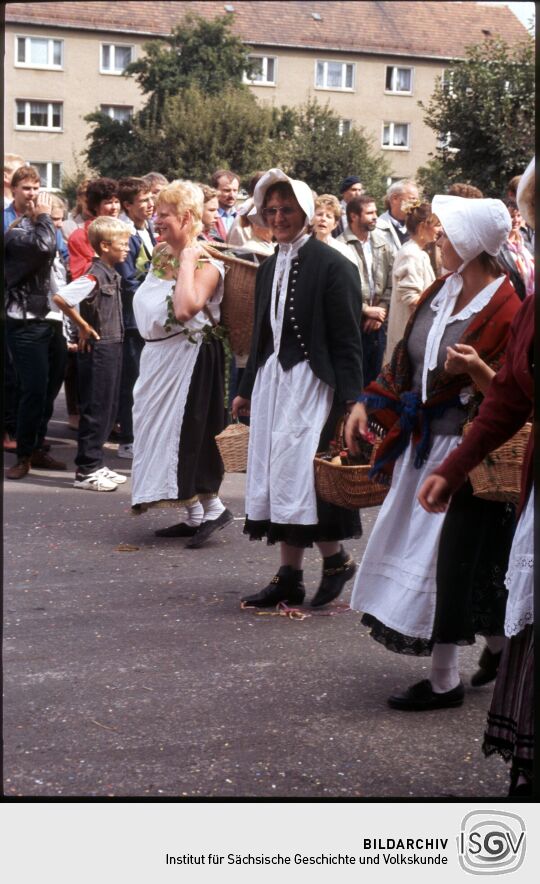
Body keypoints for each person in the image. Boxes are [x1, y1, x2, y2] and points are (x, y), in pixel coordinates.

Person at [345, 194, 521, 711]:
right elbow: (405, 357)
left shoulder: (508, 307)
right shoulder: (442, 291)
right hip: (424, 448)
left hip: (471, 453)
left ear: (470, 244)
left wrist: (477, 374)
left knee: (448, 563)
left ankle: (445, 680)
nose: (438, 238)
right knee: (460, 563)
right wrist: (370, 401)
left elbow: (514, 397)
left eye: (447, 233)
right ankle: (500, 649)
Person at [417, 159, 534, 796]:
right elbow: (513, 398)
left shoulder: (512, 301)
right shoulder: (532, 305)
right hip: (491, 464)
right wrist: (451, 466)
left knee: (475, 568)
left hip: (495, 468)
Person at [232, 168, 364, 609]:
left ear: (306, 211)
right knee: (278, 475)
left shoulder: (335, 266)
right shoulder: (269, 266)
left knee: (306, 477)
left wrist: (352, 400)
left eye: (286, 208)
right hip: (274, 384)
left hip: (314, 385)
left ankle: (332, 560)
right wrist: (247, 387)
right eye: (270, 210)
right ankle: (293, 573)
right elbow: (261, 336)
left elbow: (348, 341)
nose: (278, 216)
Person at [131, 181, 232, 548]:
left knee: (190, 433)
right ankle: (193, 515)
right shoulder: (160, 254)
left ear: (187, 217)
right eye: (156, 213)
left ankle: (215, 508)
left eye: (164, 215)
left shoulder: (207, 261)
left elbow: (185, 308)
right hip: (158, 356)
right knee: (155, 431)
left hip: (191, 357)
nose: (156, 220)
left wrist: (188, 260)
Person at [53, 217, 131, 491]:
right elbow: (61, 298)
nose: (128, 249)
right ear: (105, 246)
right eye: (122, 244)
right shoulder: (94, 275)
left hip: (113, 345)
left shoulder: (111, 272)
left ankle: (97, 463)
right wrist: (83, 326)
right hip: (99, 350)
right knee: (96, 409)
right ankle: (86, 470)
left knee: (109, 408)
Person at [5, 189, 68, 479]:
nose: (56, 226)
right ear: (37, 214)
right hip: (27, 323)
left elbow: (59, 283)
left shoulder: (48, 233)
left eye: (59, 220)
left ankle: (37, 447)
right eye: (52, 219)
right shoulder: (17, 236)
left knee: (50, 390)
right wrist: (43, 217)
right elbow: (44, 248)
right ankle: (23, 454)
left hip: (53, 321)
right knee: (32, 390)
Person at [115, 177, 157, 459]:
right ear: (128, 206)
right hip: (132, 319)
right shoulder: (124, 233)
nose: (150, 205)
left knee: (145, 379)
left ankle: (140, 433)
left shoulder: (147, 229)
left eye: (151, 198)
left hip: (145, 316)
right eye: (143, 201)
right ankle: (127, 438)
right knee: (132, 379)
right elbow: (128, 280)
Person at [338, 195, 394, 385]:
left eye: (376, 212)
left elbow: (392, 279)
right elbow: (338, 289)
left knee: (375, 378)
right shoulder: (339, 246)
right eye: (369, 213)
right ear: (353, 216)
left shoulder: (383, 242)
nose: (375, 217)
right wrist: (365, 310)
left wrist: (380, 311)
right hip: (351, 322)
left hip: (378, 323)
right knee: (352, 379)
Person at [384, 201, 440, 363]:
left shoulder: (418, 252)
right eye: (436, 225)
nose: (439, 230)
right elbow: (412, 299)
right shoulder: (411, 254)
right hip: (408, 336)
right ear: (423, 226)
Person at [68, 178, 120, 279]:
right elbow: (80, 276)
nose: (114, 207)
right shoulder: (81, 236)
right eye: (108, 202)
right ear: (95, 206)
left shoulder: (124, 232)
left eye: (117, 201)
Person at [497, 200, 534, 301]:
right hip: (516, 301)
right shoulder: (498, 247)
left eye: (518, 215)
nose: (516, 220)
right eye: (512, 216)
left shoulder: (526, 241)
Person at [310, 193, 358, 263]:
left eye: (328, 216)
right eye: (319, 214)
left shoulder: (343, 251)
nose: (323, 219)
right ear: (311, 219)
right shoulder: (300, 248)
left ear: (335, 224)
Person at [376, 179, 420, 254]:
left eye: (417, 200)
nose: (417, 204)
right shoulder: (377, 228)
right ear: (395, 199)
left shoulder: (419, 226)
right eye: (412, 199)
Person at [210, 169, 240, 239]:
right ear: (215, 190)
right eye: (227, 190)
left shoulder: (244, 217)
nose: (232, 195)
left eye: (235, 190)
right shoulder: (207, 218)